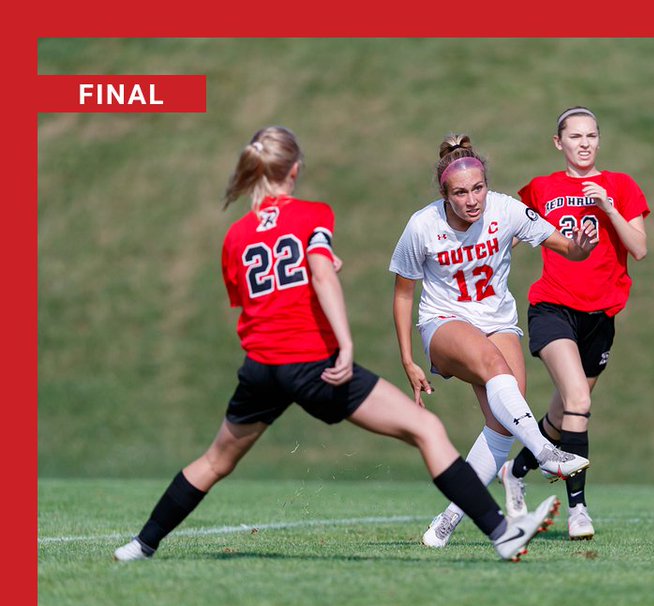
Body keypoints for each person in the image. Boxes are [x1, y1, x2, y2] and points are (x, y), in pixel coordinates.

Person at [114, 126, 557, 564]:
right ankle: (503, 534)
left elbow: (255, 297)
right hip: (315, 365)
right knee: (426, 430)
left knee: (215, 461)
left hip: (260, 368)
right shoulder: (312, 215)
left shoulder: (236, 236)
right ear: (295, 170)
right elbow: (321, 276)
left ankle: (141, 545)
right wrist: (344, 343)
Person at [390, 134, 598, 548]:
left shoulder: (507, 210)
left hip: (498, 322)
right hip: (443, 323)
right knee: (493, 365)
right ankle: (545, 453)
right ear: (444, 195)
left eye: (478, 188)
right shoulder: (422, 225)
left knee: (502, 425)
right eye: (460, 193)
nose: (472, 200)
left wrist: (582, 247)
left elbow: (567, 248)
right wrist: (408, 360)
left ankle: (447, 521)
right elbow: (403, 294)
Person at [496, 106, 650, 541]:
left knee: (564, 415)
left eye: (591, 135)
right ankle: (578, 510)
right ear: (558, 142)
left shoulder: (621, 185)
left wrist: (610, 209)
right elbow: (503, 231)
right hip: (553, 307)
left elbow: (639, 249)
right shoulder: (542, 188)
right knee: (578, 398)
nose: (585, 143)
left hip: (601, 317)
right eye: (575, 136)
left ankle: (515, 470)